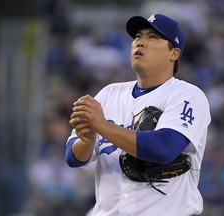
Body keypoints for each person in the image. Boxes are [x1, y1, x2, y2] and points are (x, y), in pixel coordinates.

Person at [65, 13, 211, 216]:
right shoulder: (108, 94)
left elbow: (164, 147)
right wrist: (87, 140)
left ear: (174, 53)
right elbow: (73, 158)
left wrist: (101, 125)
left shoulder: (188, 95)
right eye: (138, 37)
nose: (141, 43)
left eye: (152, 37)